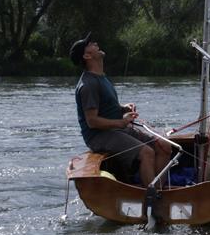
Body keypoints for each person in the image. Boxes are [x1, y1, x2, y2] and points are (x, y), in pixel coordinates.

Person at [71, 32, 171, 187]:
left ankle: (157, 190)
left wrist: (123, 108)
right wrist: (121, 122)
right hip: (99, 136)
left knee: (164, 146)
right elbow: (92, 121)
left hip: (116, 130)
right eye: (90, 44)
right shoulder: (88, 85)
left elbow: (107, 108)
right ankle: (152, 197)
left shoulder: (101, 77)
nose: (95, 43)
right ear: (87, 56)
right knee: (147, 153)